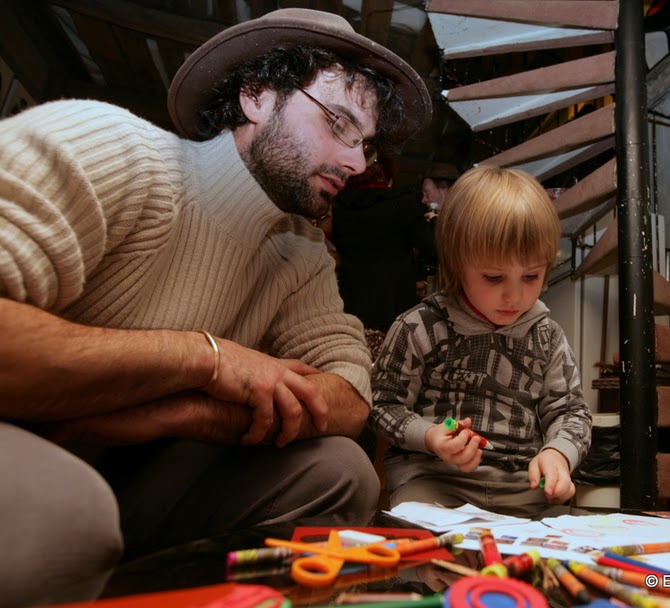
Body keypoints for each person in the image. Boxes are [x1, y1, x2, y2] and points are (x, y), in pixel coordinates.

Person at [0, 8, 430, 607]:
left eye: (365, 144)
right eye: (339, 123)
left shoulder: (302, 251)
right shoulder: (112, 147)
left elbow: (349, 399)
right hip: (29, 451)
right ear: (256, 95)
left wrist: (177, 413)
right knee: (66, 510)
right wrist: (206, 361)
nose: (358, 164)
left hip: (131, 472)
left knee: (342, 470)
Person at [369, 165, 592, 518]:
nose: (514, 296)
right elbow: (382, 404)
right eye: (493, 277)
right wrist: (429, 436)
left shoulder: (547, 335)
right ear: (457, 263)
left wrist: (559, 453)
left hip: (524, 487)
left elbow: (570, 412)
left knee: (568, 540)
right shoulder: (418, 327)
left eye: (531, 276)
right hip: (434, 481)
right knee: (418, 537)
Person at [332, 157, 435, 358]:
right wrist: (434, 224)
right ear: (387, 173)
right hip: (395, 305)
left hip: (354, 302)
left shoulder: (341, 206)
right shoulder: (401, 203)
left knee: (359, 357)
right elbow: (431, 247)